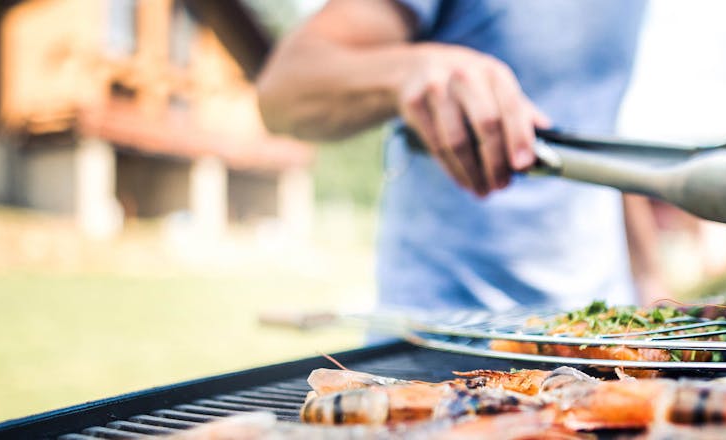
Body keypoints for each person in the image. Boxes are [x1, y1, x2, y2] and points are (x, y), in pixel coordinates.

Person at [257, 0, 675, 311]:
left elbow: (597, 130)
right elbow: (282, 91)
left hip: (596, 325)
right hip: (443, 335)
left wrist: (650, 280)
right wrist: (410, 70)